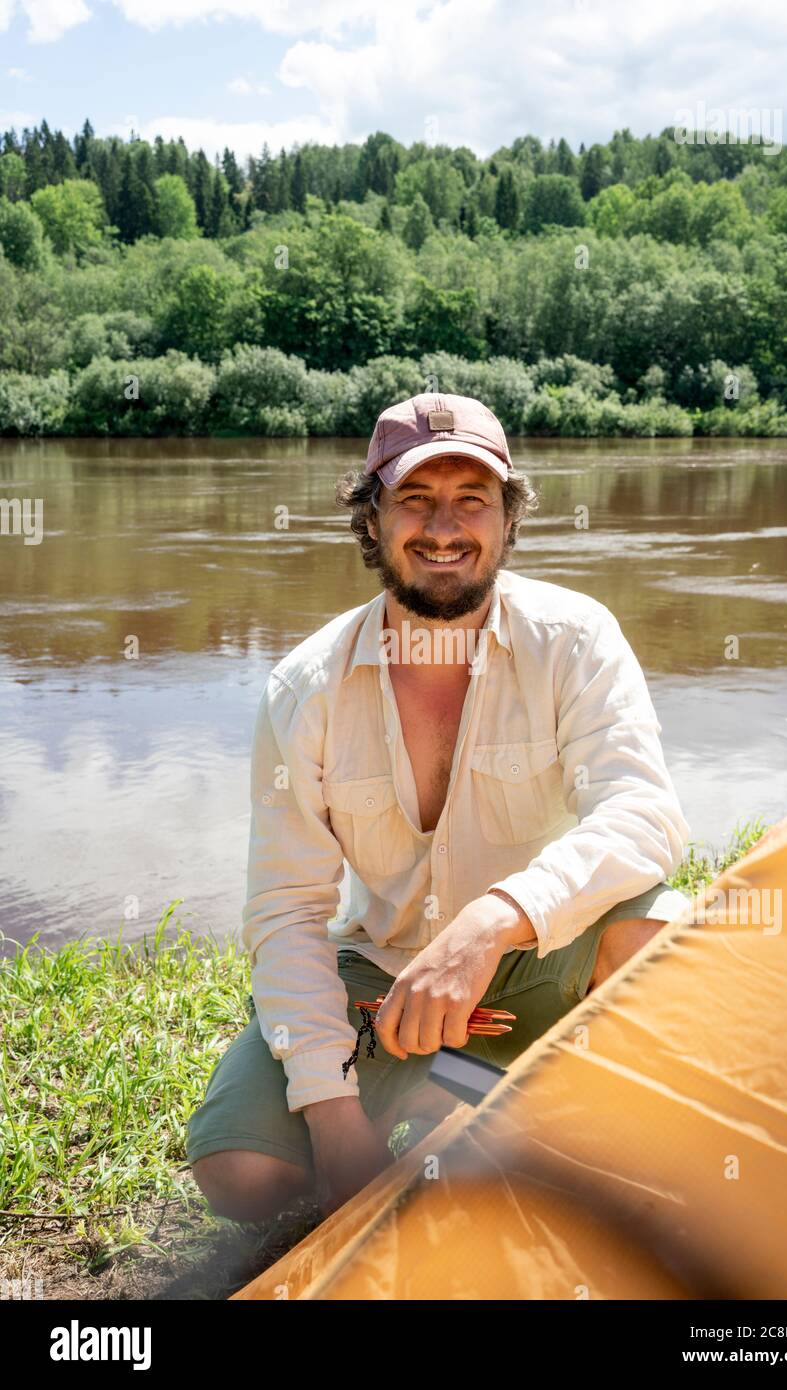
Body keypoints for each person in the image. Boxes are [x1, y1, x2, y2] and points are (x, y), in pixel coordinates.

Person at [186, 392, 691, 1223]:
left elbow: (643, 813)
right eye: (415, 500)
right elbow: (285, 909)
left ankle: (479, 1095)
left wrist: (491, 920)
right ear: (373, 518)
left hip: (537, 952)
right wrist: (337, 1122)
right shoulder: (305, 687)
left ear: (507, 516)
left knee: (655, 935)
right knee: (244, 1178)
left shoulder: (575, 638)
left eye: (471, 501)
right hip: (379, 977)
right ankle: (452, 1095)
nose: (443, 528)